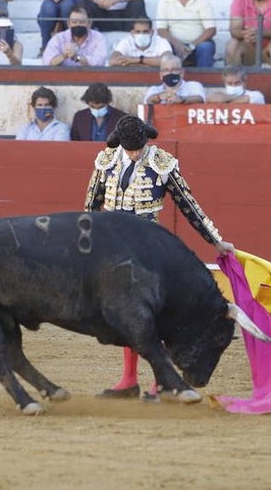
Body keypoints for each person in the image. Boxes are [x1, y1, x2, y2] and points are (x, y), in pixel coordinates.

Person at [85, 113, 233, 398]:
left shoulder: (161, 163)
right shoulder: (106, 160)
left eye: (138, 147)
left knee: (154, 315)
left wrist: (215, 241)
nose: (135, 152)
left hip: (147, 245)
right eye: (130, 148)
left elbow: (188, 204)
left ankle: (159, 381)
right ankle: (129, 380)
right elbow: (90, 206)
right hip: (114, 245)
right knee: (125, 314)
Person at [155, 0, 217, 68]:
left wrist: (192, 46)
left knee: (206, 48)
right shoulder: (164, 0)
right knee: (164, 48)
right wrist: (178, 45)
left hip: (198, 45)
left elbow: (211, 29)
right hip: (173, 45)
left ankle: (206, 82)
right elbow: (161, 30)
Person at [42, 5, 109, 67]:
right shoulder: (58, 38)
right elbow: (47, 62)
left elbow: (99, 62)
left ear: (89, 23)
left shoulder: (98, 38)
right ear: (68, 23)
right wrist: (64, 56)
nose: (78, 25)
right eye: (74, 22)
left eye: (81, 22)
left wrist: (77, 58)